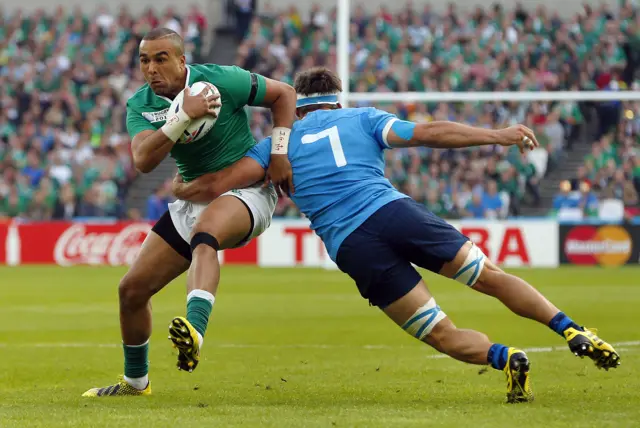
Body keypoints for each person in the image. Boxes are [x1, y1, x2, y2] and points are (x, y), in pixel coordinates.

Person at [172, 67, 620, 403]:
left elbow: (219, 183)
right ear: (337, 100)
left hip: (354, 245)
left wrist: (181, 186)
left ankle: (505, 357)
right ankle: (572, 329)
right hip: (395, 213)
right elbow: (429, 133)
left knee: (442, 334)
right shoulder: (362, 119)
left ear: (298, 104)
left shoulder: (275, 147)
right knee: (491, 277)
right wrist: (496, 136)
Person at [82, 28, 297, 397]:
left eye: (161, 58)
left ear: (182, 61)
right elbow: (143, 161)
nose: (151, 68)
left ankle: (194, 329)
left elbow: (284, 94)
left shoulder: (220, 80)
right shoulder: (141, 104)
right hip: (194, 199)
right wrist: (180, 117)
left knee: (205, 234)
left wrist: (279, 154)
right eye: (144, 60)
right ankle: (136, 384)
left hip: (246, 191)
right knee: (131, 291)